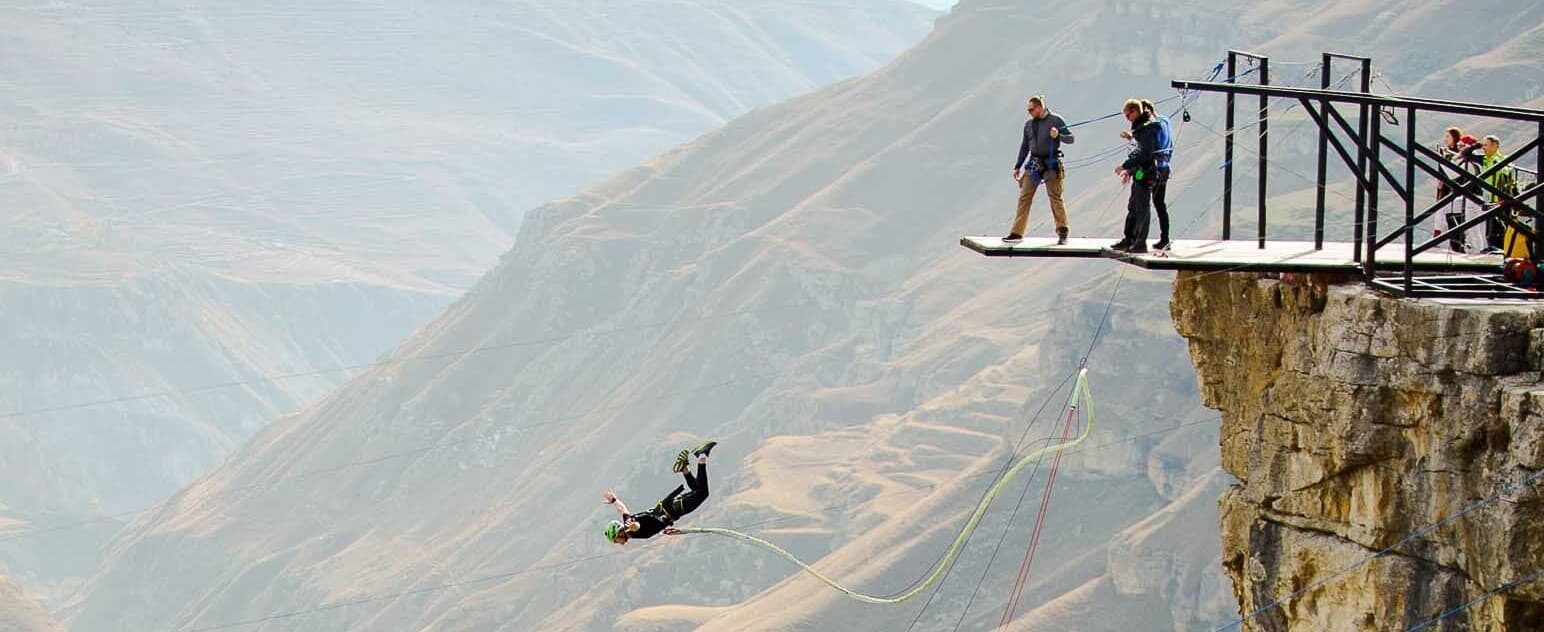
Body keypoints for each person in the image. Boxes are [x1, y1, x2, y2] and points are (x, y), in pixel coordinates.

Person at [603, 441, 717, 545]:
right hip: (670, 508)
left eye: (616, 540)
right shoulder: (628, 522)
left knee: (702, 493)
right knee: (697, 491)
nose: (619, 543)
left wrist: (634, 526)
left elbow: (637, 526)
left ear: (618, 533)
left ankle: (701, 455)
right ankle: (685, 469)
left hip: (673, 510)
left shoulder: (631, 530)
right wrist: (614, 501)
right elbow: (622, 509)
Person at [1005, 95, 1076, 244]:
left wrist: (1059, 135)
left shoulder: (1056, 120)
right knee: (1024, 197)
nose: (1029, 112)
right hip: (1034, 162)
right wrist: (1017, 166)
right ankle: (1017, 232)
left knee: (1055, 197)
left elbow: (1071, 139)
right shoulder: (1028, 125)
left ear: (1039, 107)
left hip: (1051, 163)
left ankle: (1062, 232)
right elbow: (1025, 146)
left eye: (1031, 109)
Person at [1111, 99, 1162, 253]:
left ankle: (1140, 242)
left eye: (1128, 116)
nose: (1128, 119)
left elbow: (1145, 154)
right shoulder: (1141, 129)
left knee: (1142, 207)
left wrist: (1125, 166)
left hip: (1146, 172)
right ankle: (1129, 239)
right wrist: (1130, 171)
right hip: (1139, 172)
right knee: (1133, 206)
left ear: (1135, 112)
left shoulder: (1148, 129)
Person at [1122, 99, 1174, 249]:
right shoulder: (1164, 122)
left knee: (1140, 203)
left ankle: (1136, 239)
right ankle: (1164, 238)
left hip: (1151, 169)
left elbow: (1146, 151)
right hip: (1163, 168)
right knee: (1158, 204)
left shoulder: (1152, 128)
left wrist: (1129, 169)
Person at [1434, 127, 1473, 252]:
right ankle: (1442, 237)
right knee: (1443, 213)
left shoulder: (1458, 155)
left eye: (1448, 137)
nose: (1446, 140)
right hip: (1446, 186)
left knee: (1451, 215)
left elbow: (1454, 173)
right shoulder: (1450, 152)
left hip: (1455, 188)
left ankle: (1447, 239)